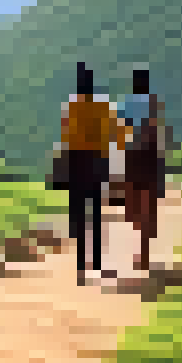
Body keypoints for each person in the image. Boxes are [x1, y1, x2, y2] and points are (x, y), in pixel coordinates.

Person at [56, 61, 119, 284]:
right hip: (98, 161)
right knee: (96, 213)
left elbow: (66, 136)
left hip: (76, 161)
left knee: (80, 213)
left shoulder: (70, 106)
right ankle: (98, 262)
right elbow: (113, 133)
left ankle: (82, 265)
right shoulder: (103, 105)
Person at [115, 66, 169, 271]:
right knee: (157, 171)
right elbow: (159, 129)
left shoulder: (126, 103)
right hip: (150, 154)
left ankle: (120, 193)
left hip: (131, 153)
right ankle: (159, 189)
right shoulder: (154, 102)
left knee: (120, 169)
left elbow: (119, 128)